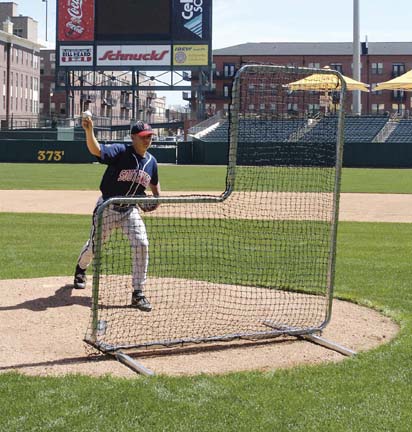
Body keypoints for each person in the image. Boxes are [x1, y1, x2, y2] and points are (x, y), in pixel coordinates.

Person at [73, 116, 161, 312]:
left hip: (130, 211)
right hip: (108, 208)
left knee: (142, 244)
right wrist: (89, 131)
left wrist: (156, 199)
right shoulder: (121, 151)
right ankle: (81, 268)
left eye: (150, 136)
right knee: (95, 247)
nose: (148, 140)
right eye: (143, 136)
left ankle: (138, 292)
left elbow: (154, 184)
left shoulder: (152, 161)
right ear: (133, 137)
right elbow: (97, 150)